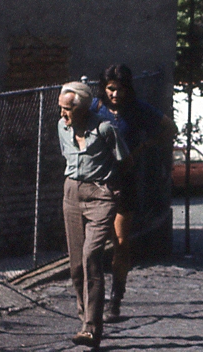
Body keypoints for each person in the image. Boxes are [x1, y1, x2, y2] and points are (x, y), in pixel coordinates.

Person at [90, 64, 174, 321]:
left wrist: (143, 147)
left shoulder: (137, 110)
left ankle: (116, 297)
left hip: (125, 181)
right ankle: (92, 299)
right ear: (104, 89)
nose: (115, 94)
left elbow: (169, 129)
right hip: (96, 182)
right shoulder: (95, 108)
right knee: (92, 245)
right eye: (111, 89)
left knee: (121, 242)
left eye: (121, 89)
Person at [58, 82, 128, 348]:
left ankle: (91, 328)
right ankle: (84, 319)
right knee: (76, 265)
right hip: (72, 195)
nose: (63, 114)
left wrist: (114, 191)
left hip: (101, 195)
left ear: (83, 108)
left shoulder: (105, 129)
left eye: (68, 109)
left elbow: (124, 160)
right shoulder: (61, 127)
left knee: (91, 257)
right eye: (61, 109)